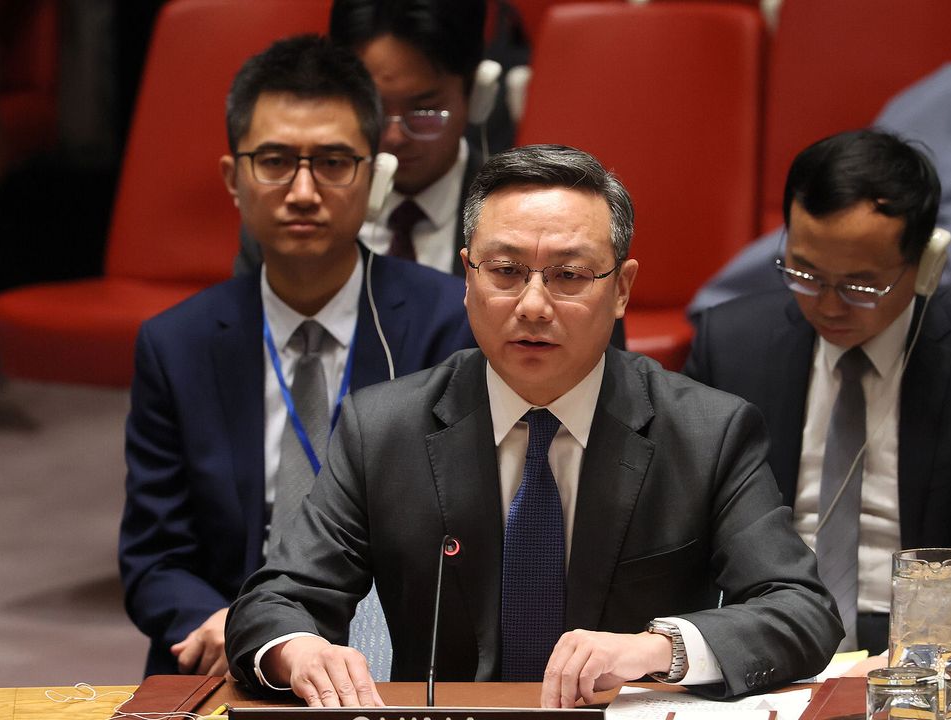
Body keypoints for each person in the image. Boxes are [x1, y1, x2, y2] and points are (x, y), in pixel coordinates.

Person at [224, 144, 843, 707]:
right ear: (468, 277)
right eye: (505, 271)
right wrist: (297, 651)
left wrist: (660, 649)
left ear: (622, 289)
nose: (533, 305)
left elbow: (801, 610)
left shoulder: (706, 431)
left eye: (569, 276)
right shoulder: (383, 429)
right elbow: (276, 601)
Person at [118, 35, 475, 677]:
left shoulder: (450, 324)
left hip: (385, 657)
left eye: (334, 162)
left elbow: (467, 535)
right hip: (225, 653)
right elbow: (154, 557)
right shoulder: (177, 344)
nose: (304, 191)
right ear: (233, 179)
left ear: (374, 176)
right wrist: (232, 626)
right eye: (275, 161)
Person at [684, 129, 951, 685]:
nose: (828, 305)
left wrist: (913, 664)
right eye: (805, 273)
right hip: (767, 643)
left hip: (941, 659)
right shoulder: (729, 345)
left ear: (926, 265)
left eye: (860, 286)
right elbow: (685, 530)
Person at [236, 0, 488, 277]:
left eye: (423, 111)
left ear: (475, 95)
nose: (394, 137)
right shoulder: (290, 215)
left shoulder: (512, 213)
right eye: (375, 109)